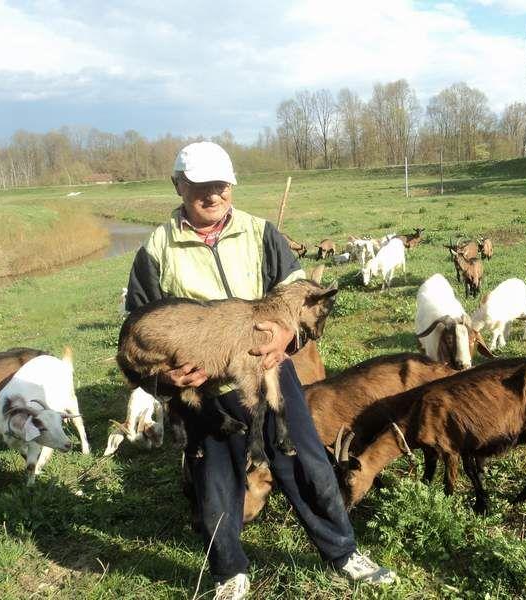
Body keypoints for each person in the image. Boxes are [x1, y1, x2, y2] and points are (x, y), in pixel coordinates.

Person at [124, 141, 395, 599]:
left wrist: (289, 338)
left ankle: (343, 552)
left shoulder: (259, 233)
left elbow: (304, 301)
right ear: (178, 186)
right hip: (206, 388)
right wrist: (163, 381)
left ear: (231, 186)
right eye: (200, 187)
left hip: (271, 373)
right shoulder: (156, 250)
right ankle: (230, 572)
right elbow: (136, 333)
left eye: (221, 186)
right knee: (215, 483)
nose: (212, 196)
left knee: (308, 465)